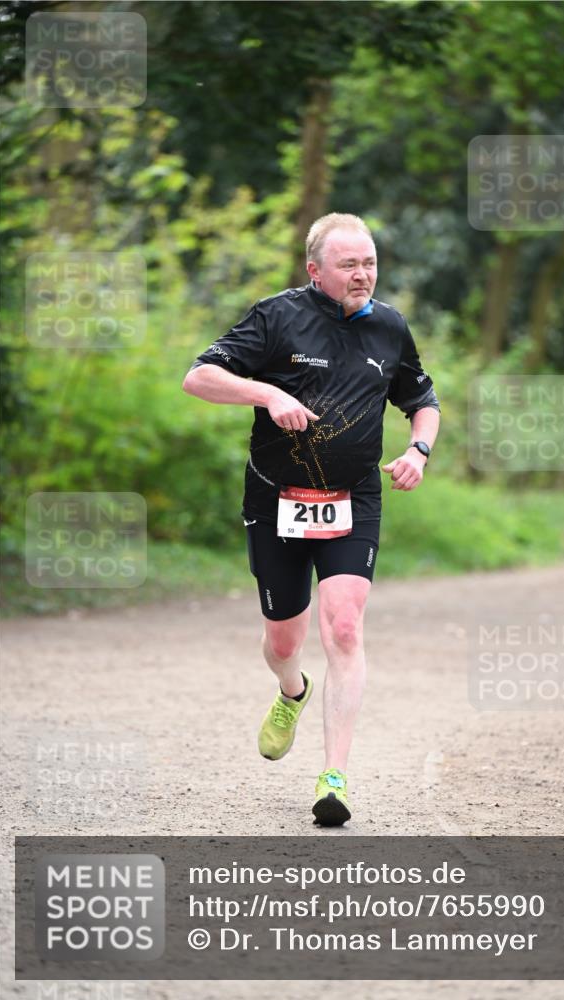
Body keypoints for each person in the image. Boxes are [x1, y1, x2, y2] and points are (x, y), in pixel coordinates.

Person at [182, 213, 440, 825]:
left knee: (345, 628)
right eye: (349, 264)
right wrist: (267, 394)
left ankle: (334, 779)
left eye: (370, 262)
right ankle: (292, 691)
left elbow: (422, 401)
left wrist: (418, 451)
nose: (363, 274)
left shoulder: (390, 328)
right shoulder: (277, 316)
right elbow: (200, 377)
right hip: (275, 499)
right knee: (282, 640)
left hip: (354, 498)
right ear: (315, 270)